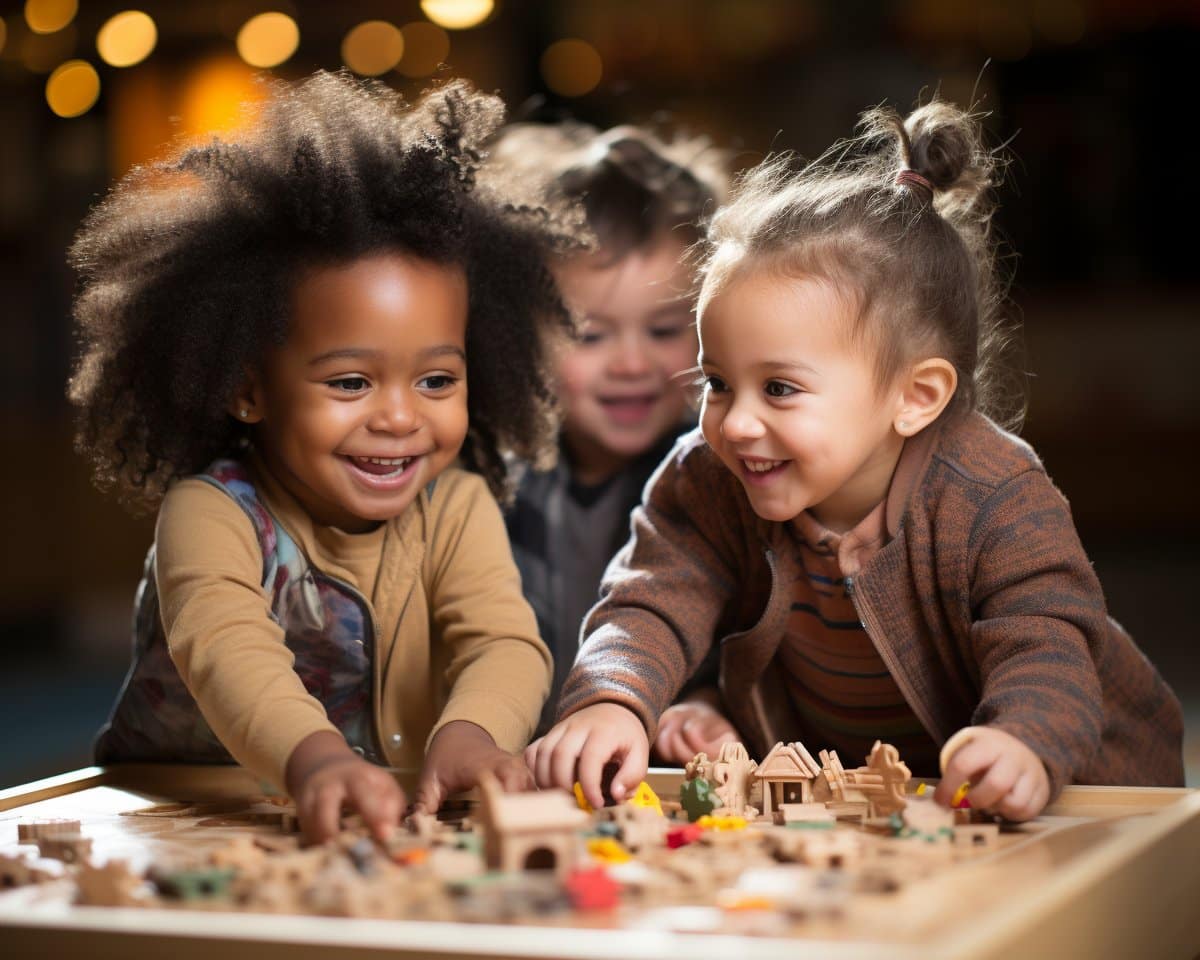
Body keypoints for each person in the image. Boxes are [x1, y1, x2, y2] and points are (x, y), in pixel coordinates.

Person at [527, 99, 1185, 821]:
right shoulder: (707, 477)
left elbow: (1048, 641)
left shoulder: (994, 494)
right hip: (879, 793)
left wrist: (1025, 741)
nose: (736, 422)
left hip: (1087, 792)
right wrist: (612, 699)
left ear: (915, 396)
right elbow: (649, 599)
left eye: (779, 388)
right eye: (718, 383)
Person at [68, 73, 578, 844]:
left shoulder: (457, 505)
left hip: (379, 810)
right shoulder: (212, 512)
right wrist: (312, 758)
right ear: (247, 388)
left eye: (437, 379)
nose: (401, 416)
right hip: (191, 801)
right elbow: (225, 646)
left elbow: (502, 638)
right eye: (350, 381)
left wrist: (475, 731)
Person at [490, 121, 736, 753]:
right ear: (524, 334)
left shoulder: (720, 472)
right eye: (591, 335)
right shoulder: (491, 475)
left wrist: (705, 706)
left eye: (663, 330)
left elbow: (743, 639)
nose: (632, 364)